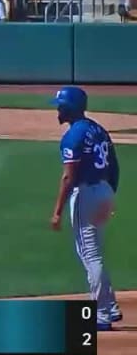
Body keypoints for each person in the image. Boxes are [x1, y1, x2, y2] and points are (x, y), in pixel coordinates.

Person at [48, 86, 123, 331]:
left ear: (69, 108)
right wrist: (108, 195)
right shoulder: (97, 129)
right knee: (95, 251)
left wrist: (57, 211)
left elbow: (69, 178)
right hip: (104, 189)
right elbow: (115, 166)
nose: (57, 110)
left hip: (87, 194)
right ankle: (110, 306)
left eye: (60, 106)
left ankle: (101, 314)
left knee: (90, 254)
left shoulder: (73, 137)